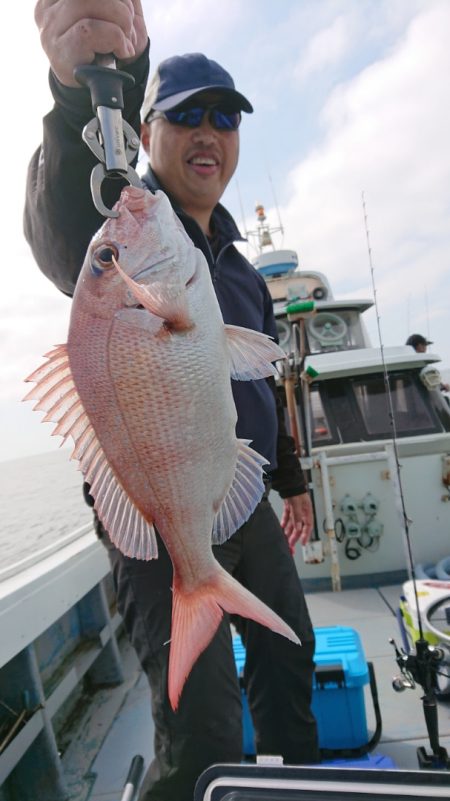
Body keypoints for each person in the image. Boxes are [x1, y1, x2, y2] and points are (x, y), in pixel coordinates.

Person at [25, 3, 320, 799]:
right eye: (185, 115)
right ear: (147, 130)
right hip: (158, 517)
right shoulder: (118, 216)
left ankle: (303, 784)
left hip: (238, 486)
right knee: (204, 724)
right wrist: (79, 94)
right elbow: (61, 230)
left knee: (292, 660)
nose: (208, 132)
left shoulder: (239, 271)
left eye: (224, 118)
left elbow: (262, 385)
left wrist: (289, 478)